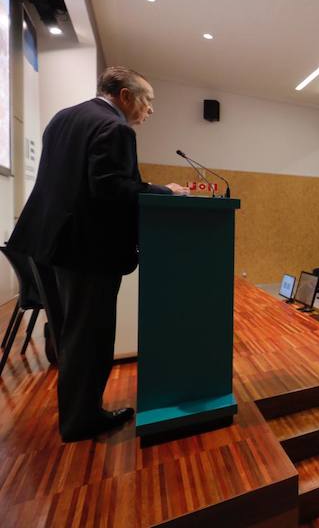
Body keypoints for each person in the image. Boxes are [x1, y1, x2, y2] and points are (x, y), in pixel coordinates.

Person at [8, 67, 189, 442]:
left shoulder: (63, 118)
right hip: (85, 251)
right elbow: (110, 189)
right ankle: (82, 420)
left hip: (47, 242)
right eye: (148, 100)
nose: (150, 110)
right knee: (90, 337)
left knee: (67, 333)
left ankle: (76, 412)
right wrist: (165, 191)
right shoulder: (116, 128)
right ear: (124, 96)